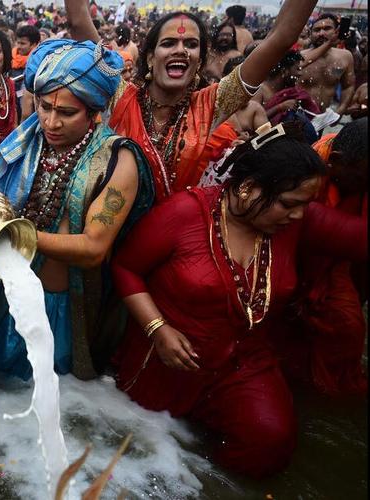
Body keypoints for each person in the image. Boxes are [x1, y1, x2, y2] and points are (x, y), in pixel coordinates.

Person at [111, 122, 367, 478]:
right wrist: (158, 328)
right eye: (289, 205)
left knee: (269, 444)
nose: (298, 215)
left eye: (304, 206)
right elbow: (125, 267)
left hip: (244, 361)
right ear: (247, 188)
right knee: (136, 454)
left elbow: (358, 238)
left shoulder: (297, 221)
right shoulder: (184, 213)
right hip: (167, 360)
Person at [0, 39, 155, 380]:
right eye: (44, 107)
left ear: (95, 111)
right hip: (9, 297)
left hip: (62, 310)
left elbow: (93, 248)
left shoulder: (118, 160)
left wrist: (11, 235)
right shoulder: (26, 142)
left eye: (67, 113)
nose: (51, 122)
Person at [65, 0, 318, 204]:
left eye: (191, 44)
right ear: (151, 58)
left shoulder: (212, 104)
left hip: (169, 239)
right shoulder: (119, 93)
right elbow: (78, 21)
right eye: (169, 43)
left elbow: (281, 38)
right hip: (105, 234)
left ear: (199, 61)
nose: (181, 50)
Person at [272, 118, 368, 395]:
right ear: (336, 161)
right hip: (287, 256)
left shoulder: (354, 169)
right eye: (363, 178)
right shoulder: (300, 170)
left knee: (347, 328)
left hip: (333, 267)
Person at [299, 14, 356, 115]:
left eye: (327, 28)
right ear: (310, 34)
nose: (321, 33)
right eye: (316, 30)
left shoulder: (345, 57)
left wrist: (340, 110)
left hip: (324, 118)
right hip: (298, 116)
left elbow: (348, 86)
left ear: (336, 31)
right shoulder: (300, 57)